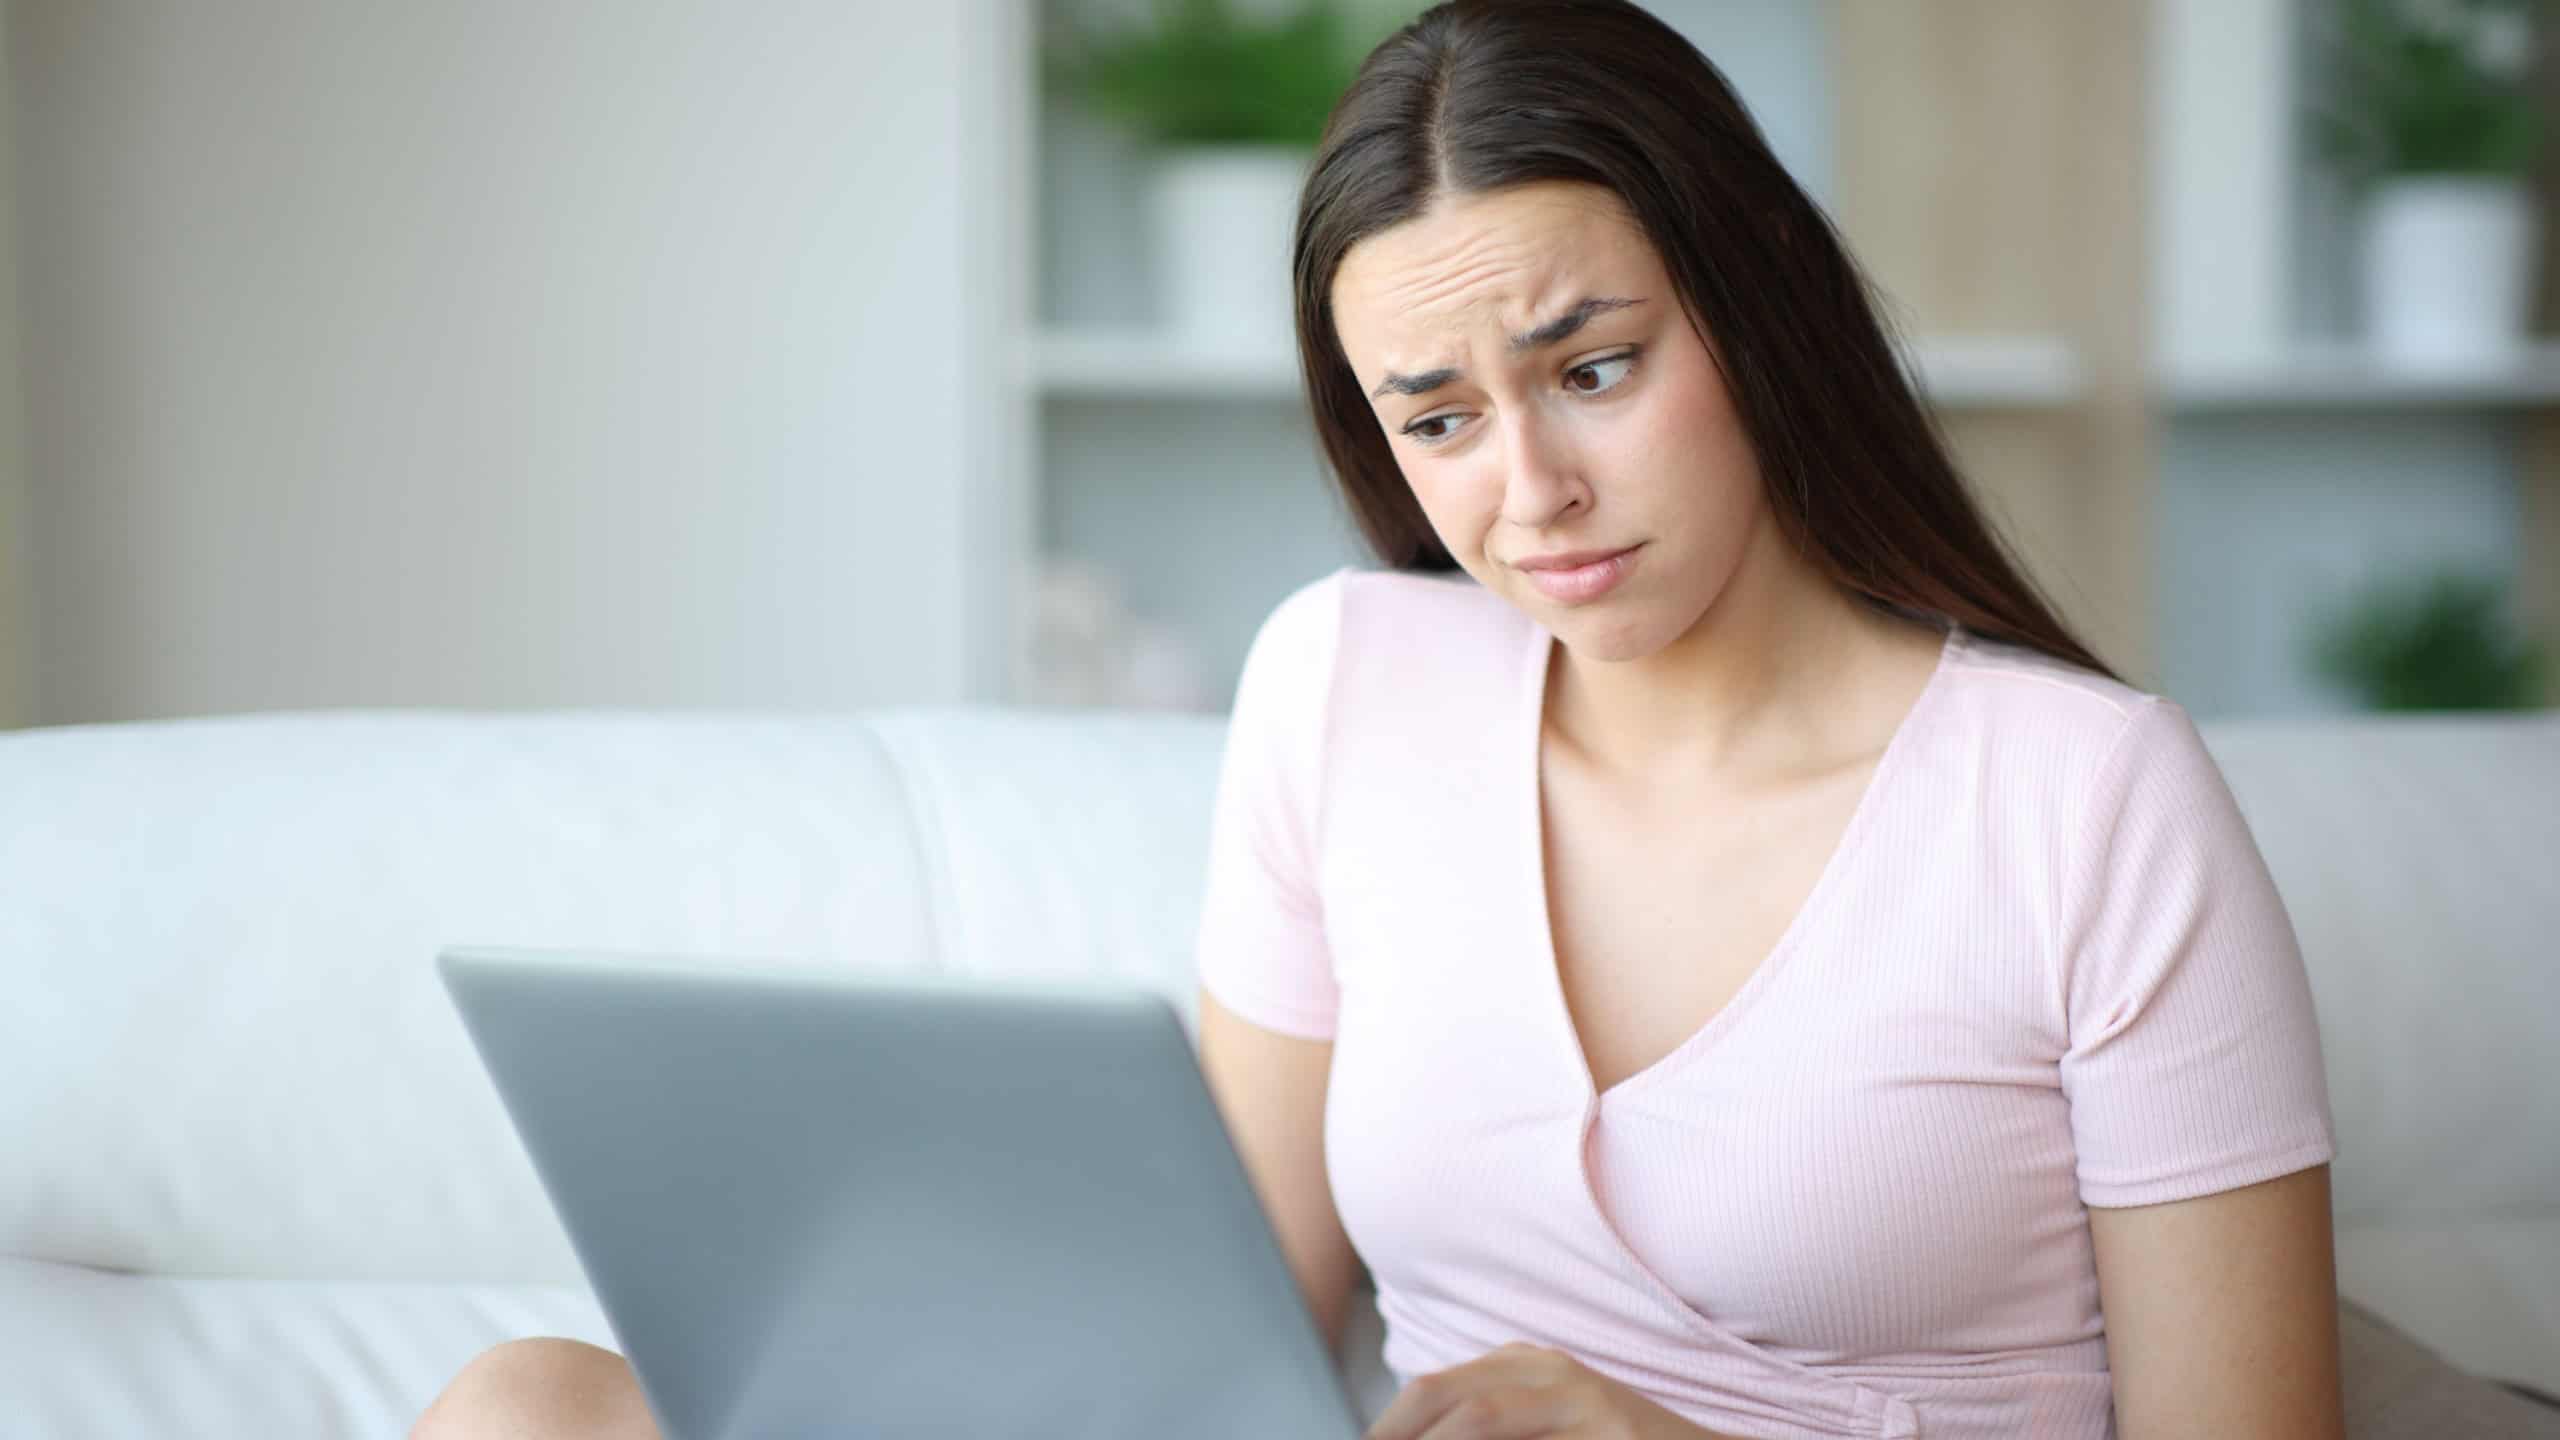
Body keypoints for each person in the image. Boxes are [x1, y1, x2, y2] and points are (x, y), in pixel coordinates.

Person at [414, 3, 2344, 1436]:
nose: (1530, 489)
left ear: (1756, 300)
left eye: (1592, 368)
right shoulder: (1348, 683)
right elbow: (1224, 1316)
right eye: (1436, 419)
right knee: (530, 1403)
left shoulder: (2087, 800)